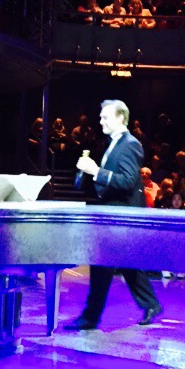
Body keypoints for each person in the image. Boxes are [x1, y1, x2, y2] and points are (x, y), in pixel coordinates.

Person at [64, 100, 162, 330]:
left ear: (120, 118)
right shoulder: (114, 143)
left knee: (103, 262)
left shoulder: (130, 144)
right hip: (114, 212)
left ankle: (91, 317)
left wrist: (95, 171)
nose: (100, 121)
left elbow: (127, 181)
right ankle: (150, 304)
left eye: (105, 117)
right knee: (123, 263)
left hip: (123, 214)